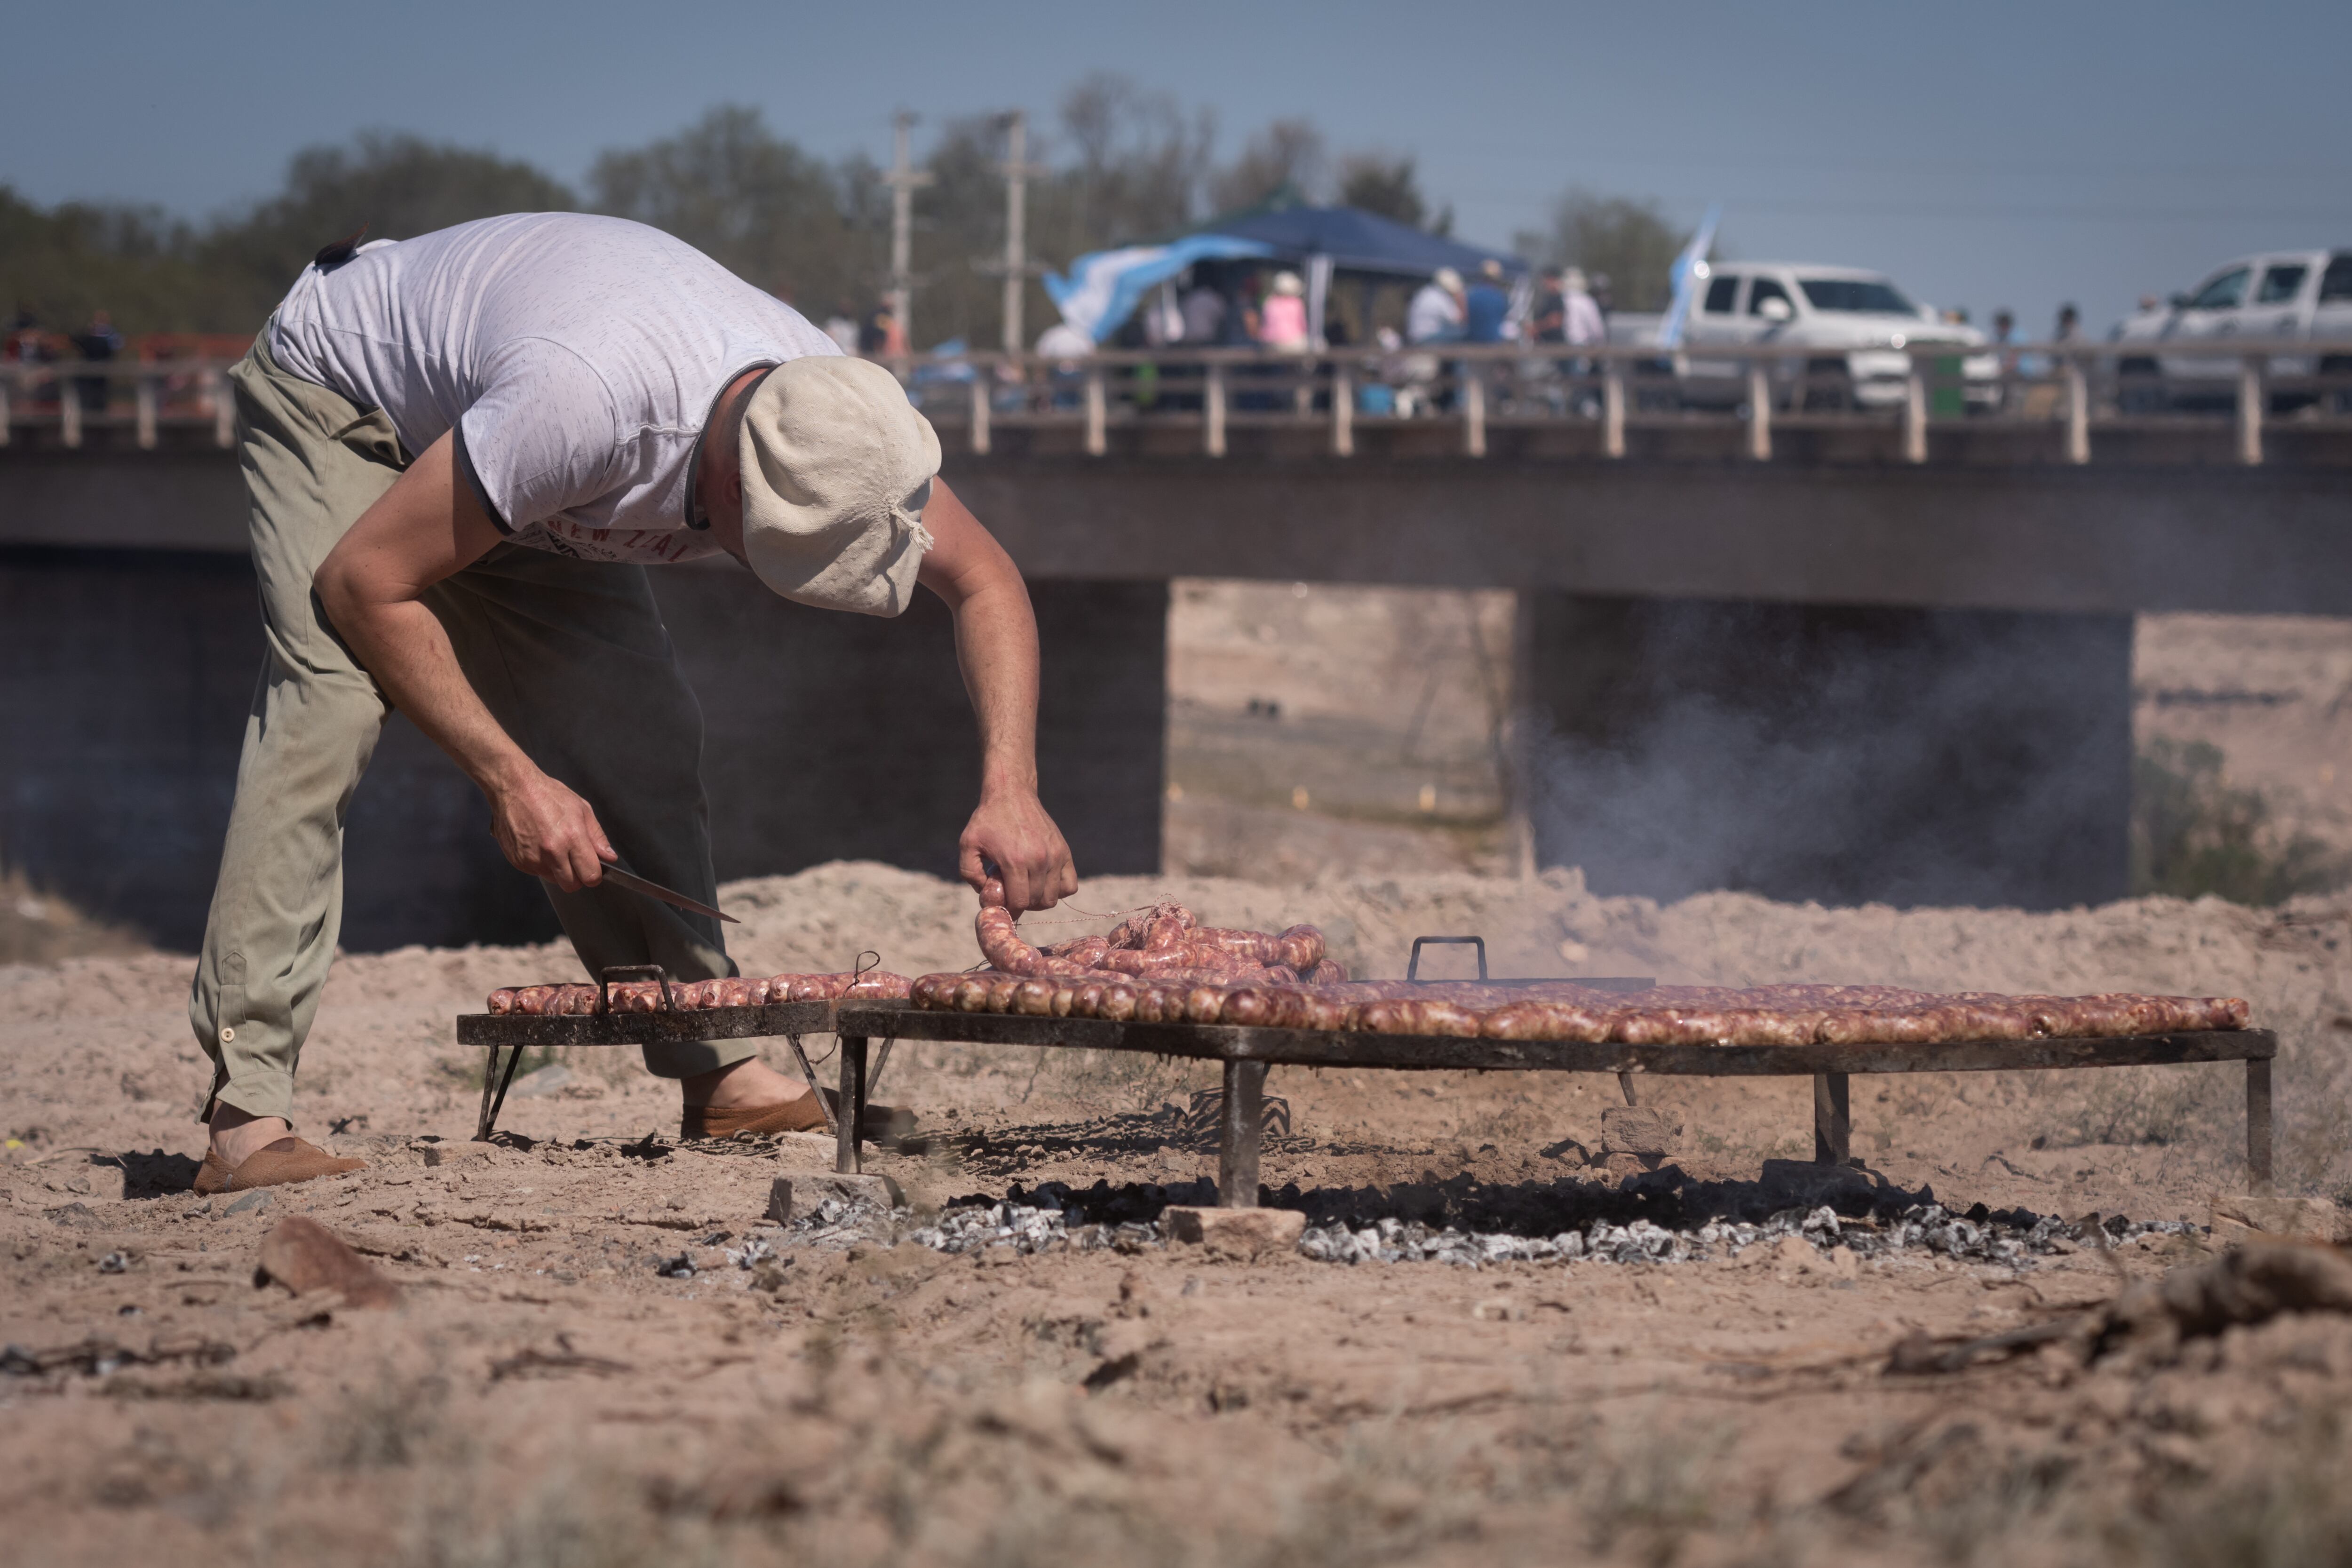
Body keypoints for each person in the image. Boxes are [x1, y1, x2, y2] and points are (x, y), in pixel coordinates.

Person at [186, 213, 1077, 1194]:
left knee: (641, 734)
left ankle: (716, 1069)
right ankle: (247, 1106)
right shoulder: (588, 407)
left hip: (517, 455)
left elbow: (987, 581)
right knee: (332, 704)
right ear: (732, 497)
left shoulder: (839, 421)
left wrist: (1013, 787)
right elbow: (367, 583)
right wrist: (510, 778)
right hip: (350, 399)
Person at [72, 308, 121, 414]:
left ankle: (99, 412)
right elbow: (77, 341)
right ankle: (90, 412)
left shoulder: (110, 334)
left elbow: (117, 345)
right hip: (89, 369)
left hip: (103, 368)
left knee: (100, 393)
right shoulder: (90, 334)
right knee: (89, 393)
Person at [1258, 271, 1311, 351]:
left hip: (1271, 342)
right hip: (1293, 342)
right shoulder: (1297, 303)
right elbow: (1303, 325)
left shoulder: (1270, 302)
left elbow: (1264, 323)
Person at [1462, 259, 1511, 344]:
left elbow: (1465, 318)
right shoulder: (1500, 297)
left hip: (1473, 342)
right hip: (1494, 342)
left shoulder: (1472, 294)